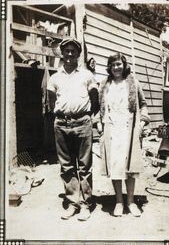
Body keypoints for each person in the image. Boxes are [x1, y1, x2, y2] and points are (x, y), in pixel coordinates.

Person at [47, 37, 99, 221]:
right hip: (61, 124)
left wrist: (86, 117)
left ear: (78, 54)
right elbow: (51, 101)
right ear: (62, 53)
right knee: (67, 166)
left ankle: (86, 204)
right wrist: (61, 116)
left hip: (82, 123)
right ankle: (72, 203)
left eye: (73, 51)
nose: (70, 54)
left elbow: (95, 99)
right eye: (66, 51)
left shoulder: (87, 75)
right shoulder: (54, 77)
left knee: (85, 166)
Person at [98, 53, 150, 217]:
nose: (116, 68)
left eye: (119, 64)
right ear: (109, 67)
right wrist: (99, 123)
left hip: (129, 128)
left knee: (129, 167)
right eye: (113, 65)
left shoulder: (133, 82)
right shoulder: (104, 84)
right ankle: (119, 202)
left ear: (124, 65)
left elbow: (143, 104)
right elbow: (98, 106)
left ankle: (131, 202)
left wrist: (142, 123)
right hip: (111, 128)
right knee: (115, 166)